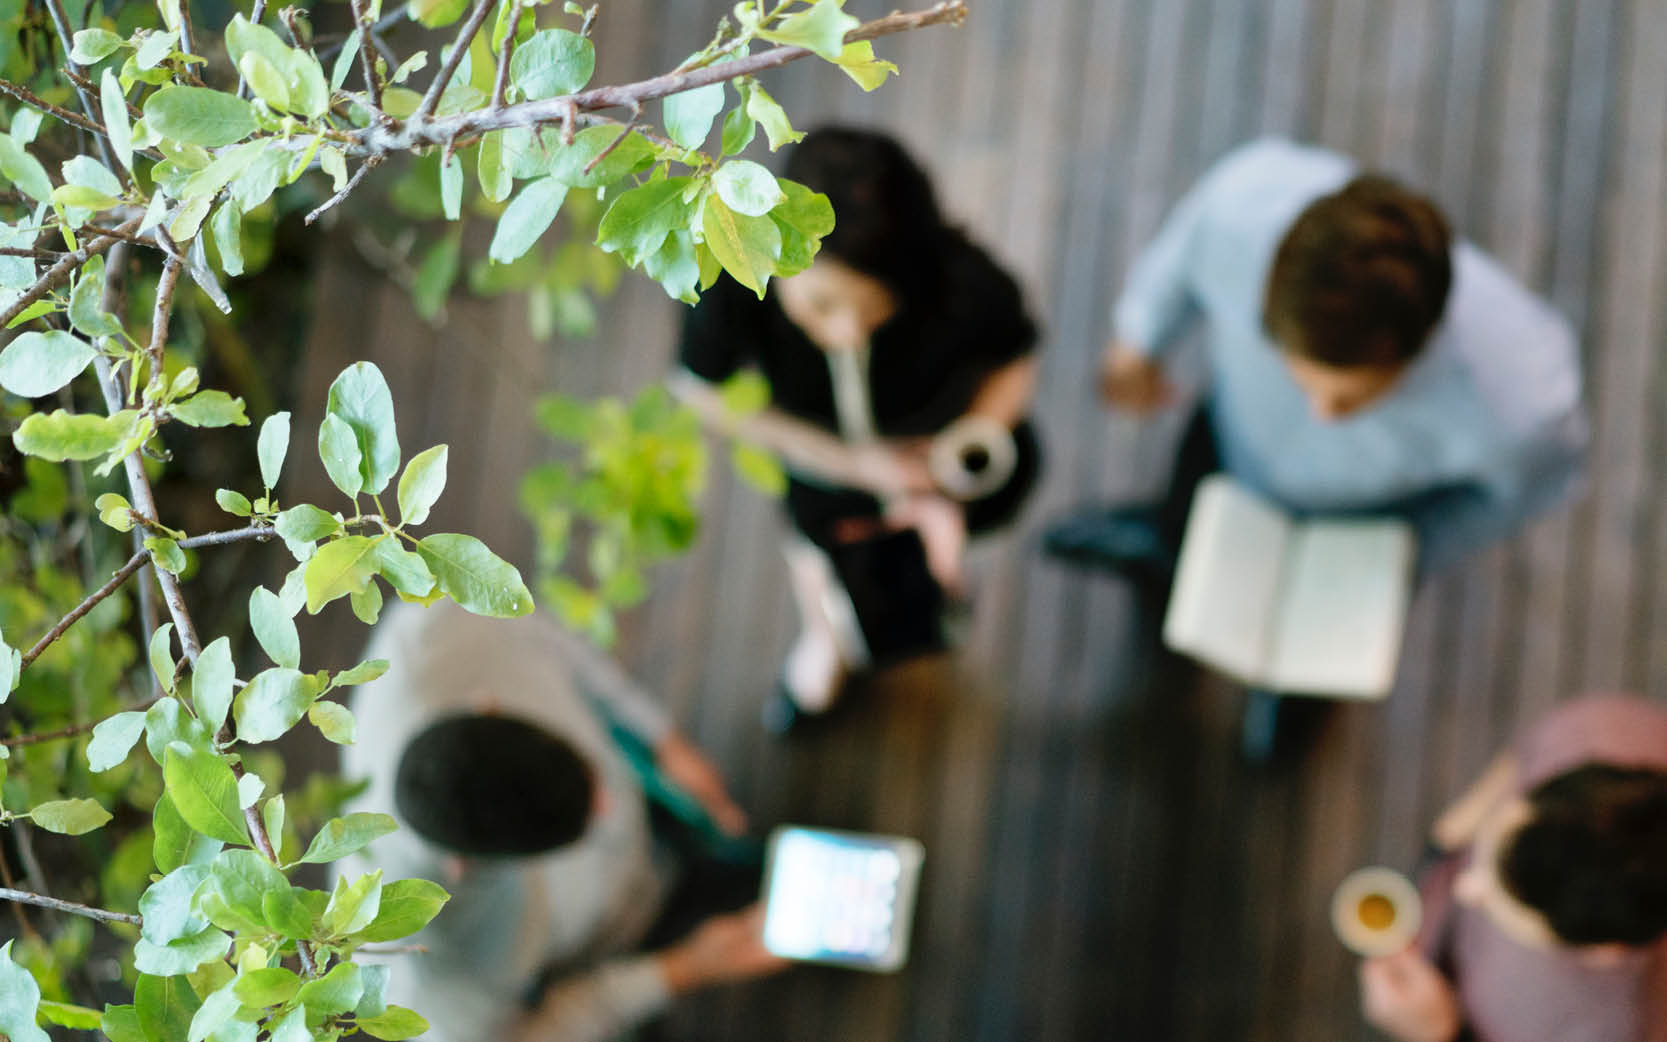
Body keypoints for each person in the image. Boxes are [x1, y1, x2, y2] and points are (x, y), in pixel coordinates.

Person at [1045, 137, 1587, 578]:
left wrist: (1398, 560)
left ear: (1420, 342)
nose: (1322, 416)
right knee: (1183, 519)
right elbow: (1180, 259)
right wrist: (1137, 345)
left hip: (1357, 527)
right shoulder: (1244, 206)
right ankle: (1162, 545)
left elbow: (1512, 499)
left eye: (1352, 396)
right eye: (1298, 377)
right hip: (1226, 440)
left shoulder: (1525, 405)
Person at [673, 126, 1042, 731]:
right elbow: (699, 392)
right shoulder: (732, 282)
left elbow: (1016, 356)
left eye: (871, 307)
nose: (847, 334)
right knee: (820, 557)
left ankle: (925, 586)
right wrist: (851, 466)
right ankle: (829, 640)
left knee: (932, 558)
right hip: (822, 463)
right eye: (821, 306)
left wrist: (956, 455)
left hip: (946, 459)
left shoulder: (961, 279)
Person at [339, 600, 786, 1042]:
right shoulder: (423, 983)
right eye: (582, 825)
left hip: (651, 797)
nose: (607, 806)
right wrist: (682, 970)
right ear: (464, 866)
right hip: (623, 943)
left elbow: (551, 639)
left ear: (487, 705)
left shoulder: (438, 623)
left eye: (591, 779)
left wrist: (661, 738)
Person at [1357, 694, 1667, 1042]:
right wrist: (1442, 844)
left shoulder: (1607, 1029)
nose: (1465, 885)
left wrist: (1442, 1033)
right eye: (1500, 822)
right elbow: (1513, 767)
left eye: (1501, 897)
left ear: (1607, 952)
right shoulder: (1585, 731)